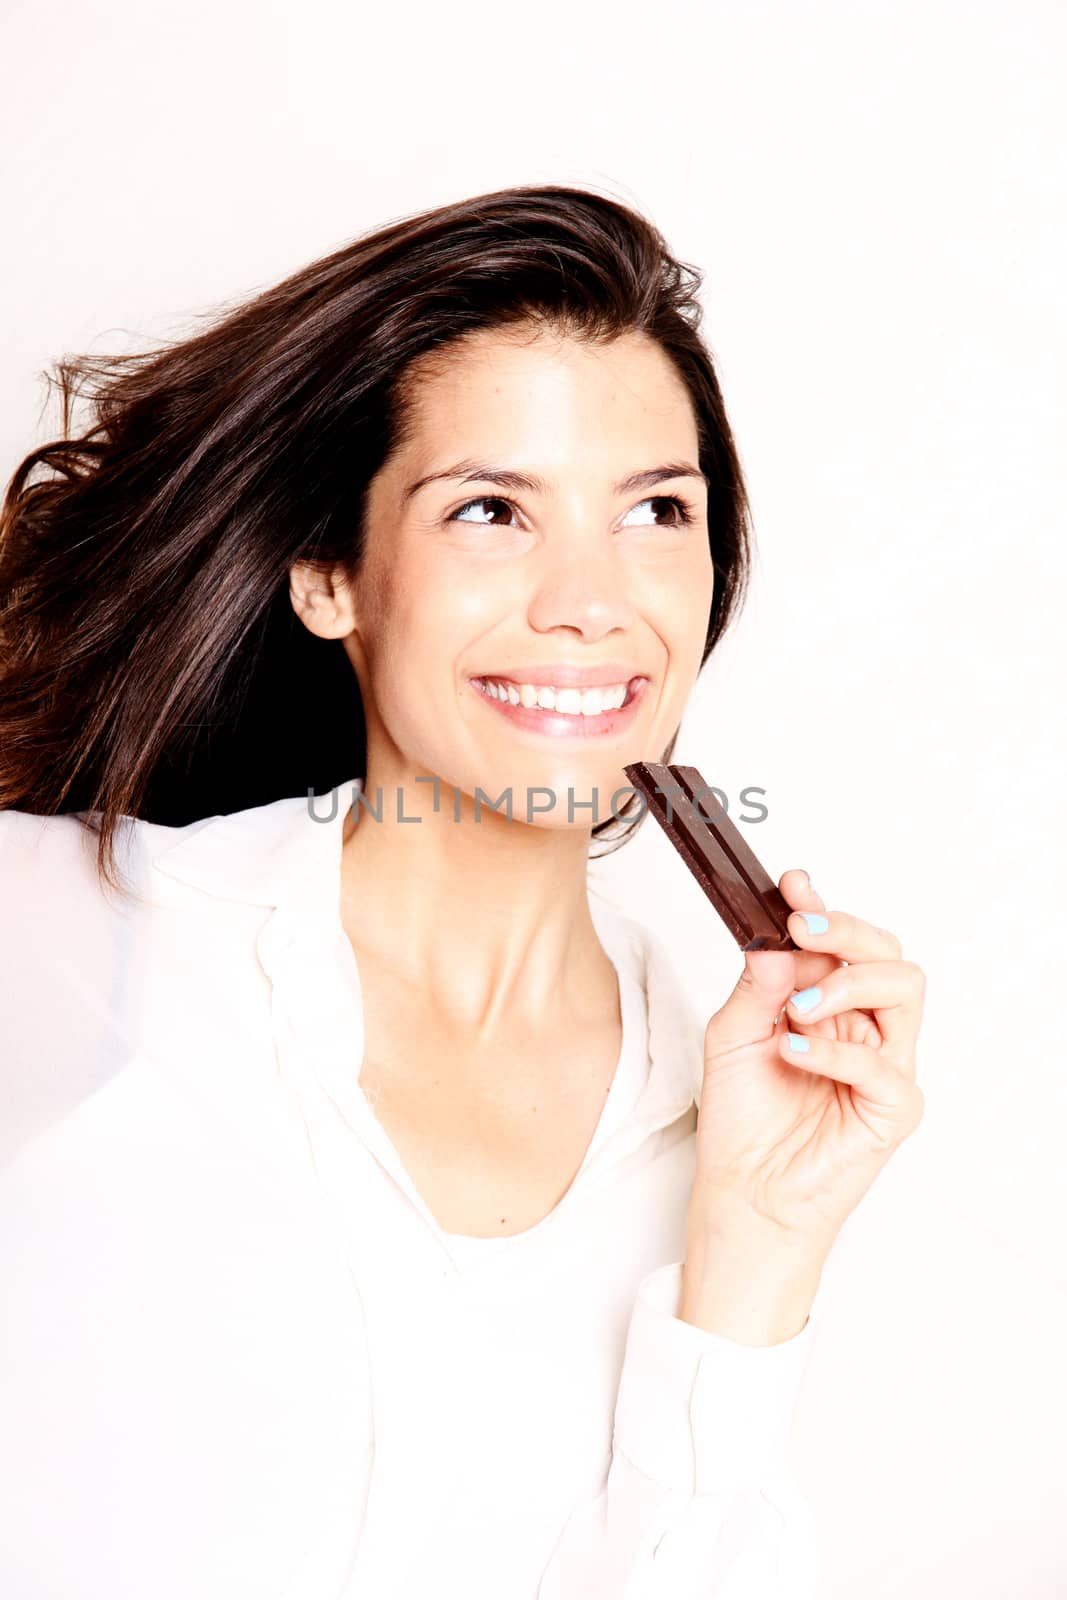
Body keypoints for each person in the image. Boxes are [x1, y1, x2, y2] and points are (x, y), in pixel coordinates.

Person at [0, 184, 926, 1599]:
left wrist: (756, 1249)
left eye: (655, 512)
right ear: (330, 576)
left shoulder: (717, 1110)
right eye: (494, 509)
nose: (590, 599)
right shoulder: (73, 936)